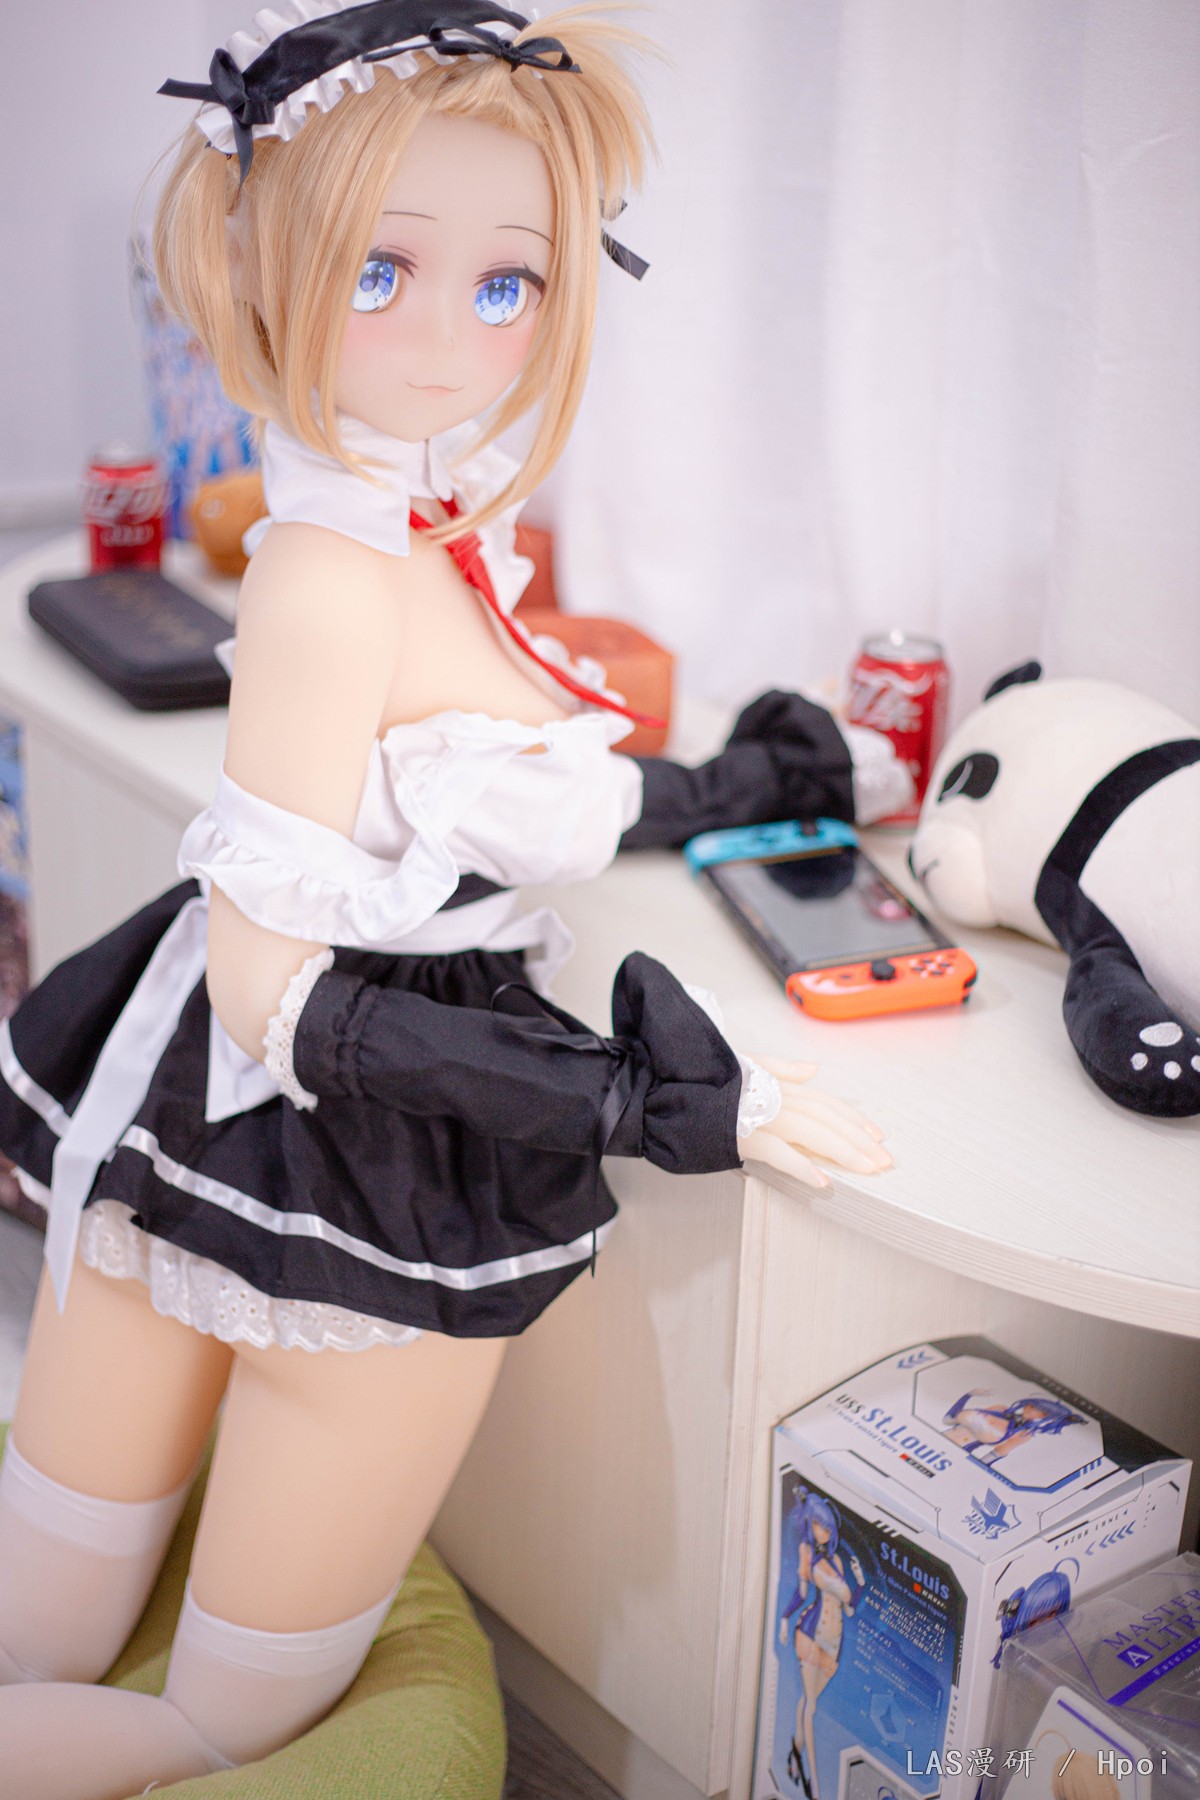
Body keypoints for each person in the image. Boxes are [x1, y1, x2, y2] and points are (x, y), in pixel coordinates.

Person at [0, 5, 895, 1791]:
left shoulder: (416, 530)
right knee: (213, 1720)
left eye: (509, 284)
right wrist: (633, 1100)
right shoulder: (337, 576)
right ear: (255, 263)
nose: (446, 342)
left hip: (195, 1112)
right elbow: (273, 988)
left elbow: (472, 790)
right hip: (336, 1128)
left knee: (32, 1623)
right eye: (378, 272)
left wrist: (755, 785)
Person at [778, 1486, 865, 1799]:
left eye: (828, 1526)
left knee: (807, 1701)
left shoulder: (837, 1562)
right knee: (811, 1706)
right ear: (809, 1524)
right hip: (810, 1634)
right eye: (818, 1525)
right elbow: (802, 1594)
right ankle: (814, 1785)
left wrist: (861, 1582)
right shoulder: (807, 1554)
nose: (824, 1531)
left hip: (834, 1643)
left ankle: (793, 1758)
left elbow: (849, 1608)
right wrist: (785, 1618)